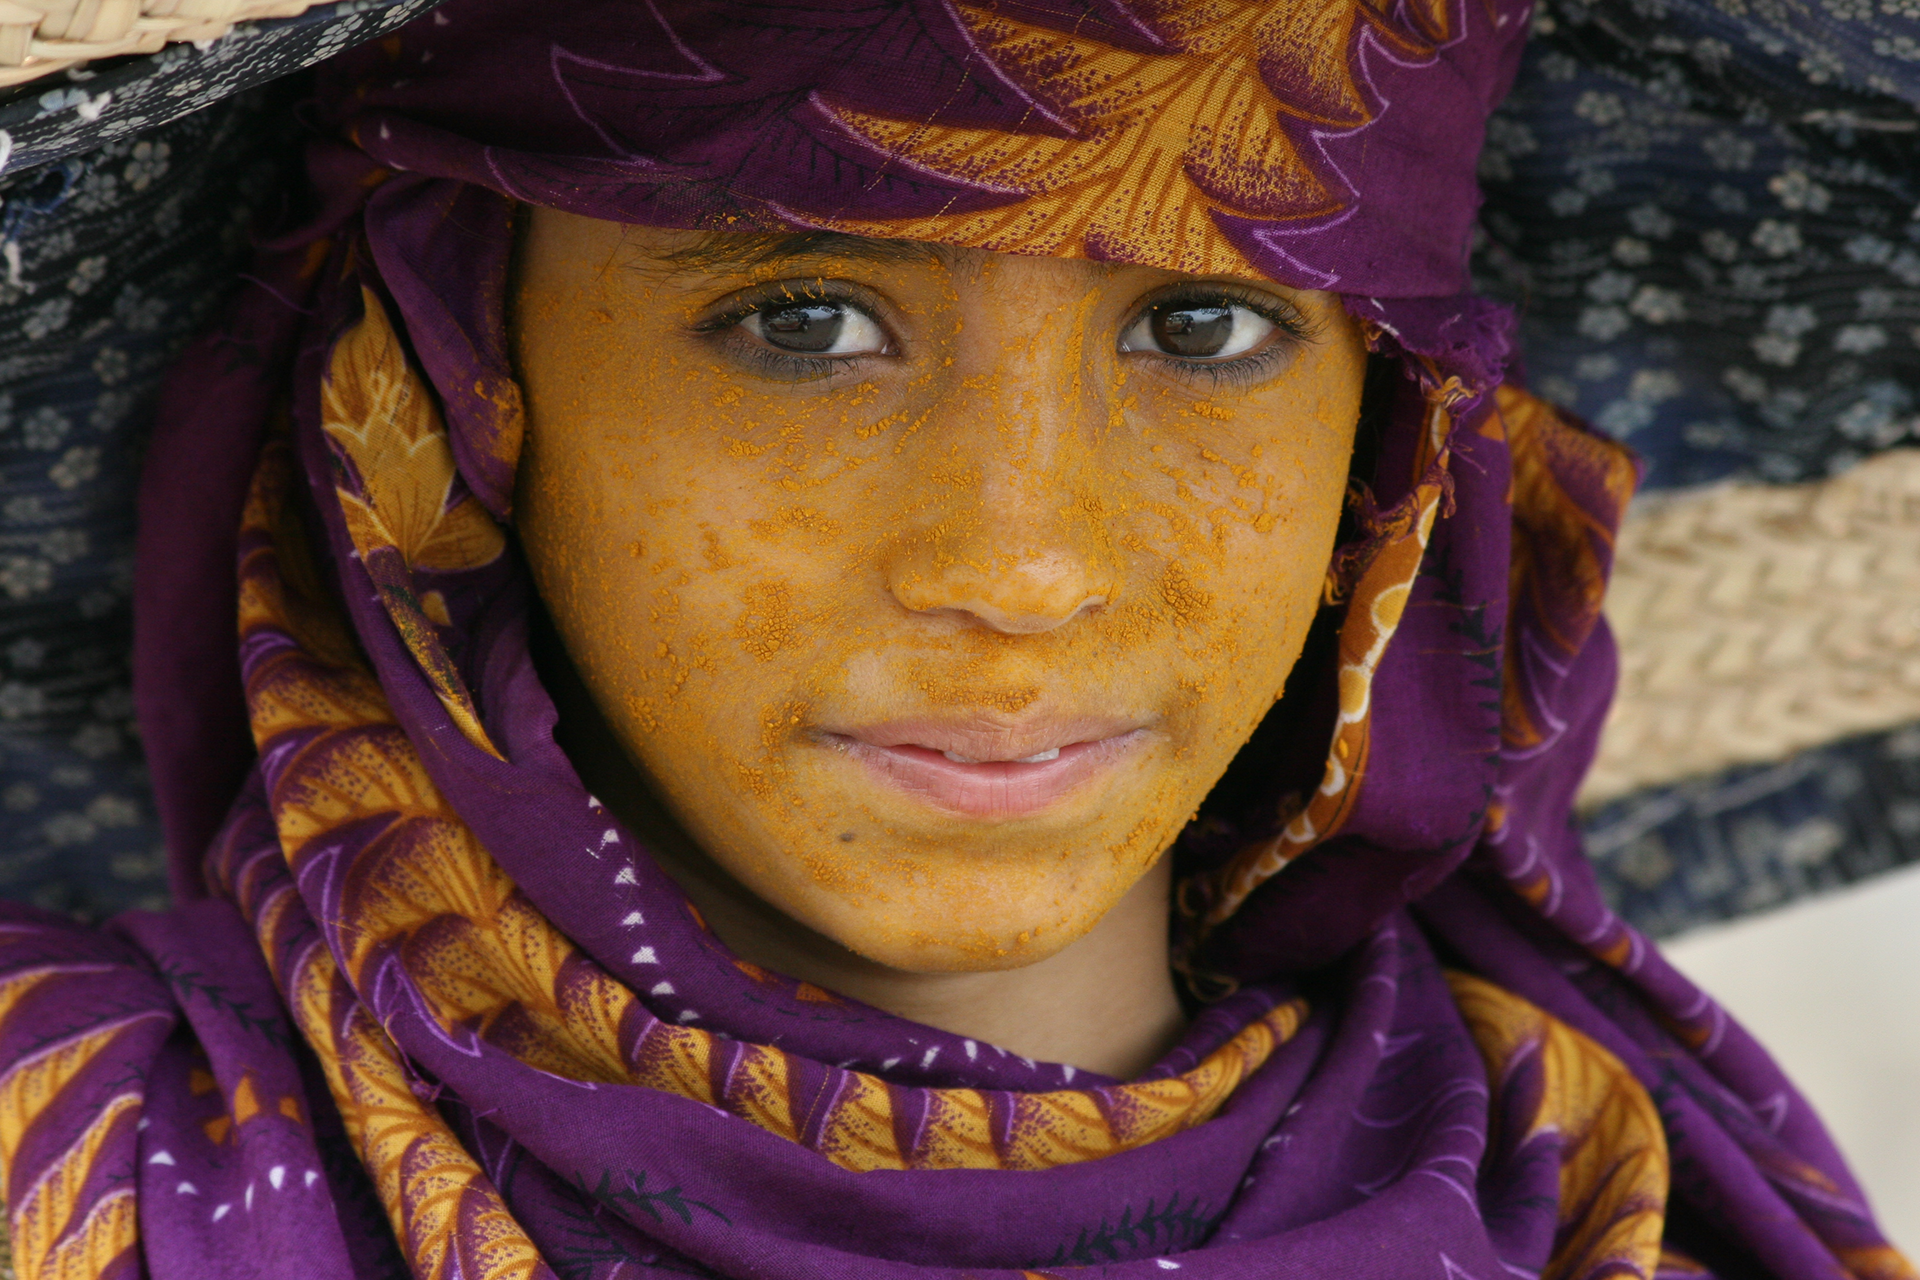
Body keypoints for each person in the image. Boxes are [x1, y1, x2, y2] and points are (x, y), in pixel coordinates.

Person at [0, 2, 1907, 1276]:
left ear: (1390, 451)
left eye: (1204, 332)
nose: (1024, 566)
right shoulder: (76, 1163)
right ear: (447, 404)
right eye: (805, 324)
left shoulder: (1609, 1198)